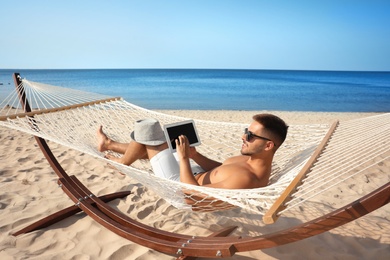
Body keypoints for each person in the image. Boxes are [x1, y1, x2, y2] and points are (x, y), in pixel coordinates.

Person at [97, 114, 288, 189]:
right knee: (164, 142)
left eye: (250, 136)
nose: (243, 137)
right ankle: (109, 143)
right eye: (246, 132)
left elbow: (191, 196)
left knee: (148, 133)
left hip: (179, 184)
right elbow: (222, 169)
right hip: (193, 171)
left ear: (269, 145)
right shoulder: (249, 160)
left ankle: (122, 164)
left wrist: (184, 158)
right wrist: (195, 155)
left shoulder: (247, 179)